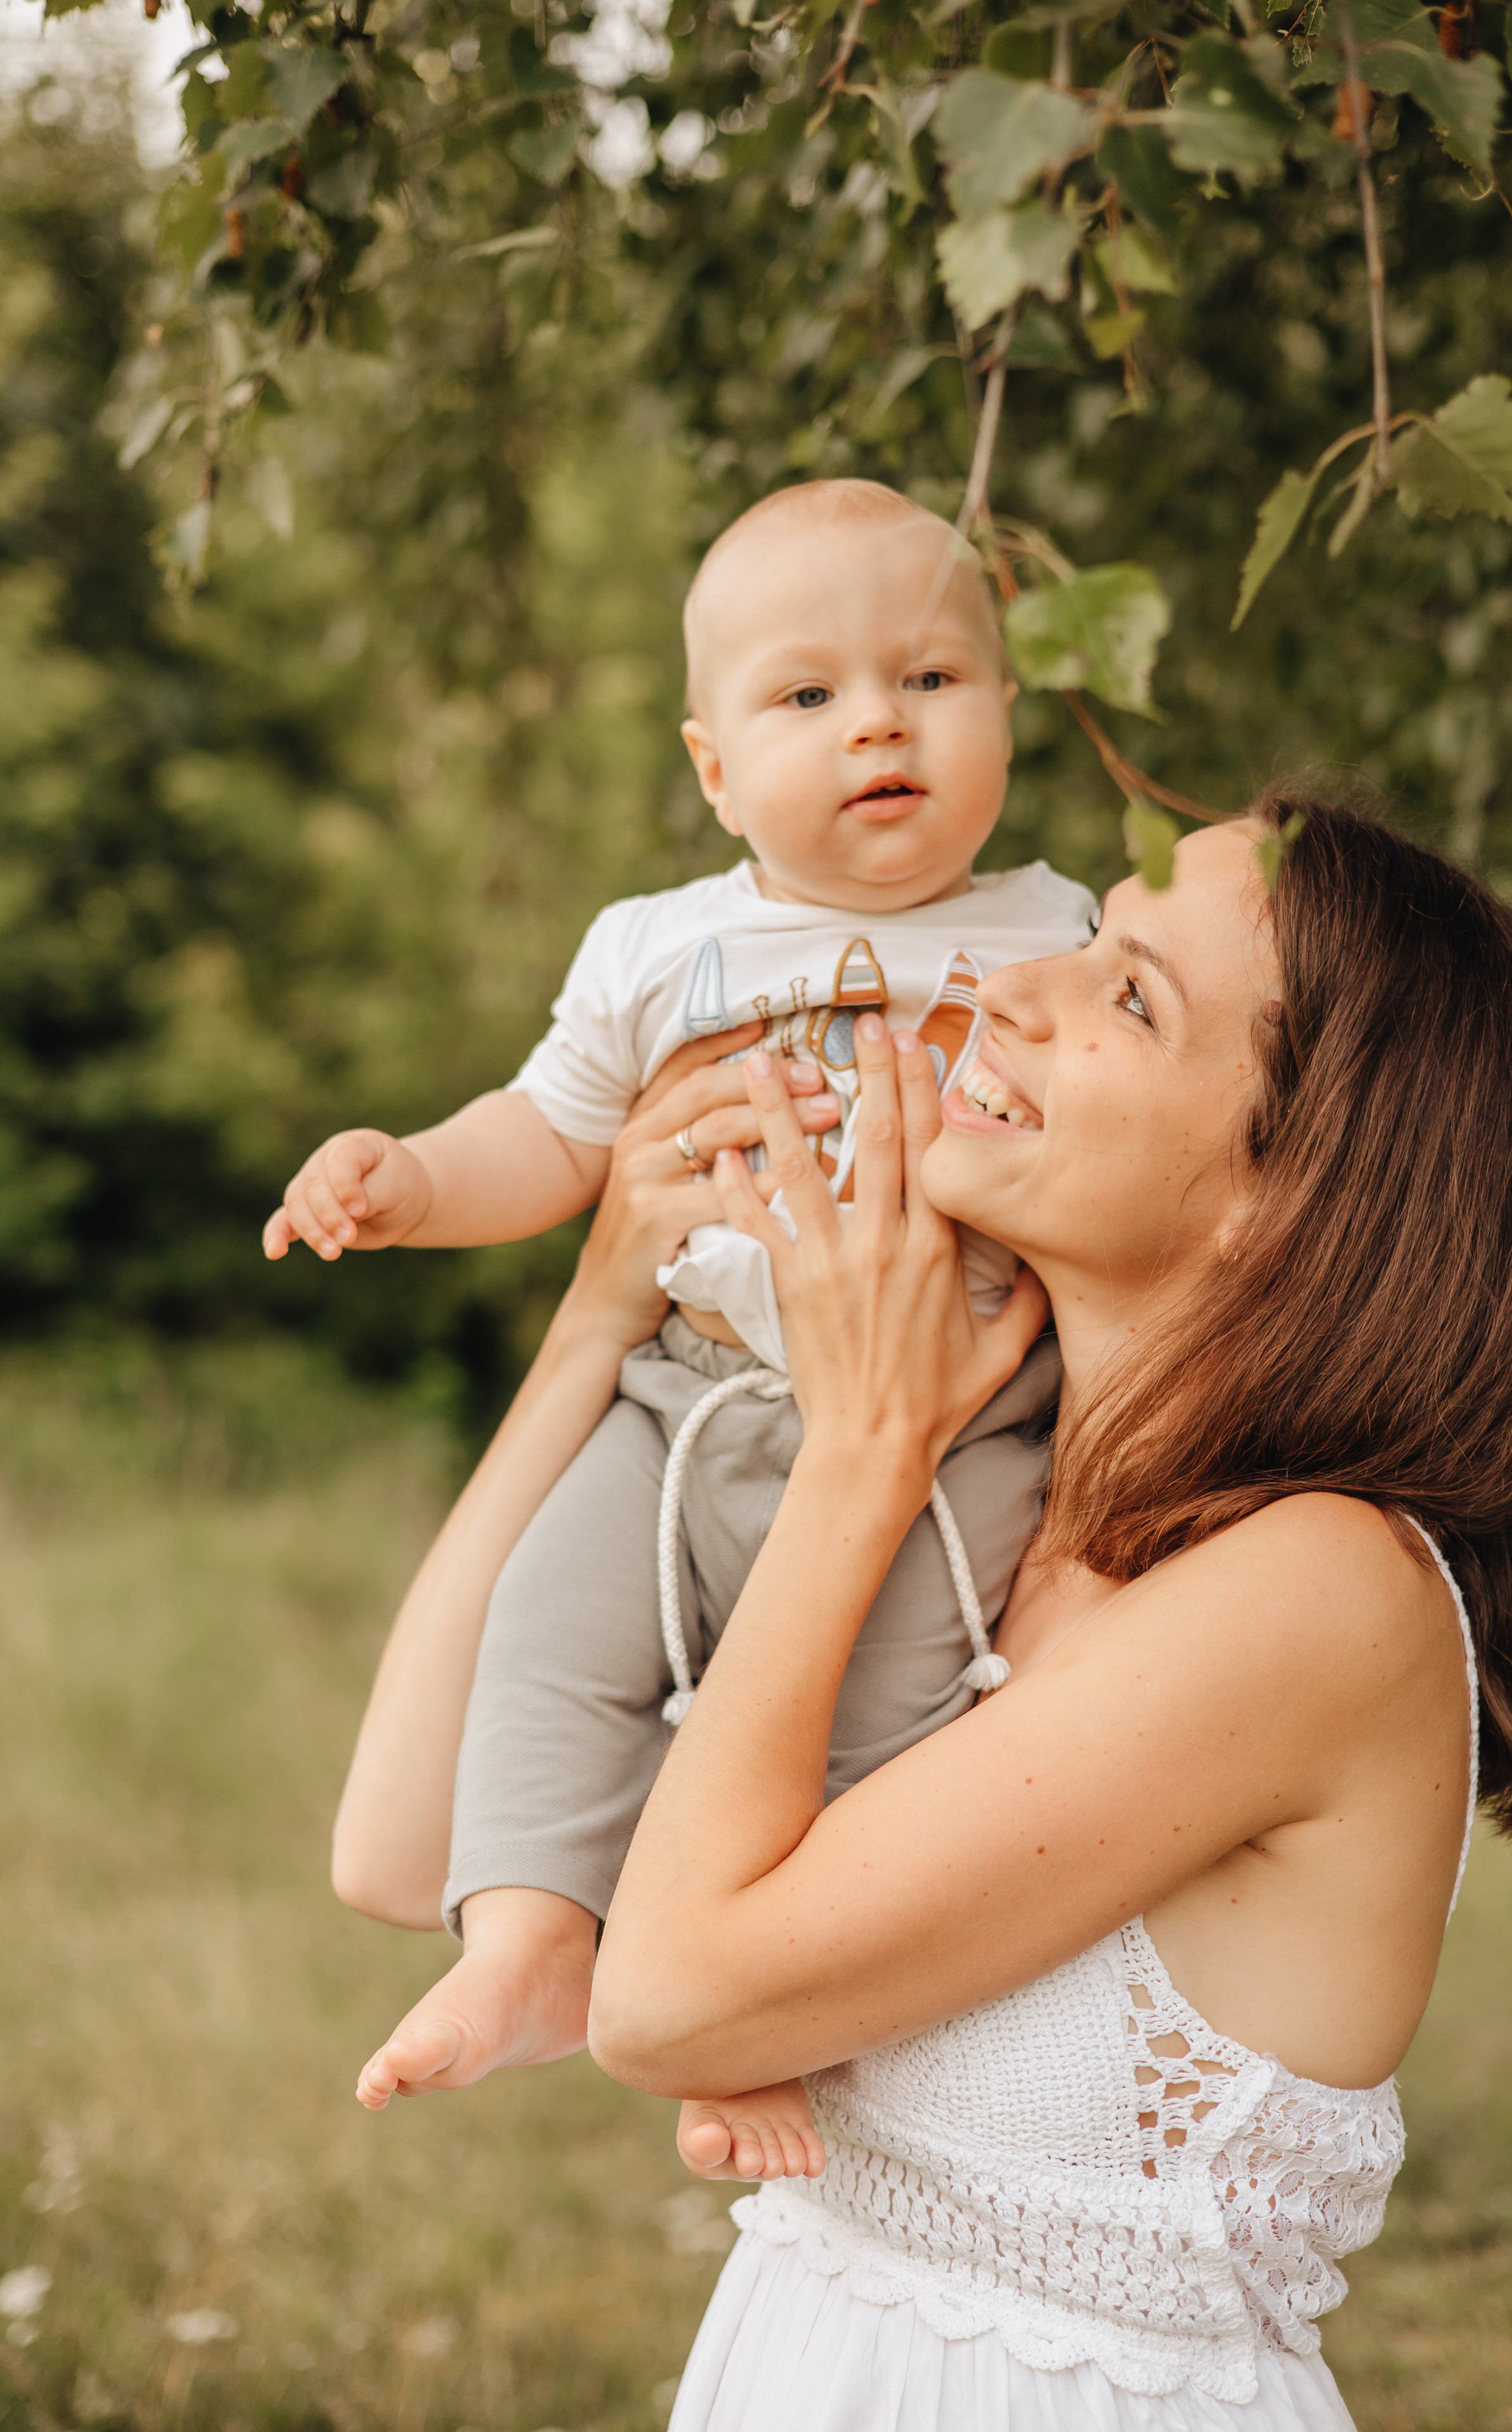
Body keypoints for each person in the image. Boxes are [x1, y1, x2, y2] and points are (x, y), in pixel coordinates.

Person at [338, 787, 1512, 2428]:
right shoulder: (1007, 1500)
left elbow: (665, 2002)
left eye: (1130, 996)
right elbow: (401, 1842)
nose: (1010, 987)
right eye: (1083, 942)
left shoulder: (1320, 1592)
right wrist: (603, 1315)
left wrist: (866, 1448)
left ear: (1290, 1200)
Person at [277, 479, 1095, 2144]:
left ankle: (761, 2014)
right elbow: (552, 1130)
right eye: (809, 695)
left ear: (1005, 708)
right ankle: (528, 1946)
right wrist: (412, 1179)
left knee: (890, 1728)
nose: (878, 722)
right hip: (684, 1407)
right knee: (552, 1646)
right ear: (715, 767)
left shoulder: (1056, 935)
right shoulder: (667, 949)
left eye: (930, 679)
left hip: (953, 1431)